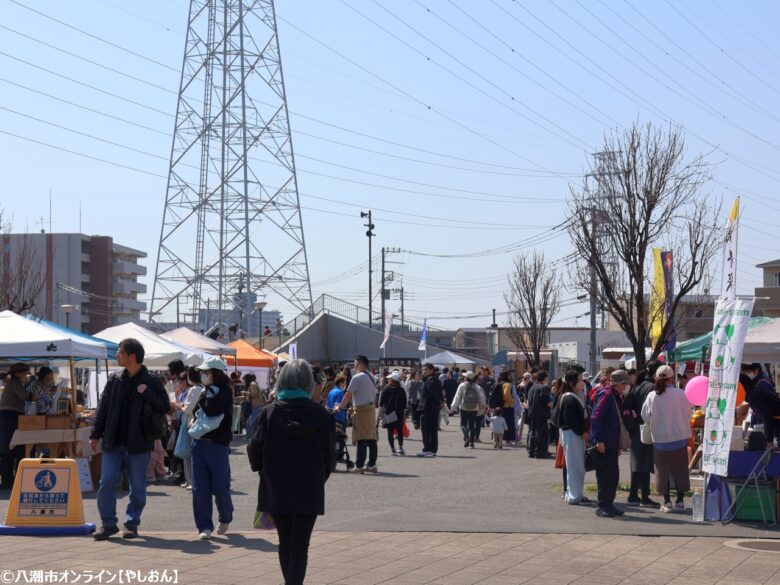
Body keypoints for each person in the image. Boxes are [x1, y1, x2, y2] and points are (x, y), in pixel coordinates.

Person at [247, 359, 335, 585]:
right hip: (309, 487)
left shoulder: (268, 413)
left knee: (285, 542)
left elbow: (254, 450)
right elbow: (330, 458)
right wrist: (318, 477)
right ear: (309, 383)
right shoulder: (322, 415)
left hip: (276, 486)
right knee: (300, 546)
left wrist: (264, 471)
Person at [90, 339, 171, 540]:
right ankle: (108, 524)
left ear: (132, 356)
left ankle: (131, 523)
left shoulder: (152, 381)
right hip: (113, 443)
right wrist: (95, 434)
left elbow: (164, 406)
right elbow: (103, 409)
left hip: (139, 443)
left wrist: (147, 393)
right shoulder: (114, 379)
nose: (117, 355)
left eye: (120, 352)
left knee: (138, 487)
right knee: (106, 482)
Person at [190, 357, 234, 540]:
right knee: (200, 488)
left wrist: (202, 399)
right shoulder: (205, 391)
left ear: (216, 373)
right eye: (202, 372)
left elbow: (211, 409)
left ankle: (225, 517)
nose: (203, 375)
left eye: (206, 372)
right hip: (199, 443)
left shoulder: (225, 391)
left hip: (218, 445)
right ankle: (204, 526)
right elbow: (197, 412)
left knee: (221, 485)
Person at [641, 365, 692, 513]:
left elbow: (645, 417)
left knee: (662, 472)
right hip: (679, 438)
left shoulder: (652, 396)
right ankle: (680, 501)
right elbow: (689, 414)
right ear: (672, 378)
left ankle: (667, 501)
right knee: (680, 470)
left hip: (660, 440)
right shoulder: (681, 394)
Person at [591, 369, 630, 518]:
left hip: (612, 442)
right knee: (605, 476)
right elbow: (596, 417)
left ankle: (609, 504)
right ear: (618, 384)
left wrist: (618, 444)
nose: (626, 386)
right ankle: (602, 506)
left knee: (613, 476)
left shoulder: (615, 395)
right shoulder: (607, 395)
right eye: (625, 383)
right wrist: (599, 440)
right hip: (604, 442)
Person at [622, 360, 661, 507]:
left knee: (637, 462)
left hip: (635, 428)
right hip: (645, 428)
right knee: (644, 462)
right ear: (656, 373)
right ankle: (644, 496)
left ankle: (634, 495)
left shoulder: (638, 384)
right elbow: (650, 411)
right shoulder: (651, 387)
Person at [336, 355, 378, 473]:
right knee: (371, 438)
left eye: (355, 363)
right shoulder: (372, 376)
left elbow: (348, 394)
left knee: (361, 438)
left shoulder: (357, 377)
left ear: (360, 364)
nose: (353, 366)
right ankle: (372, 464)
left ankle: (359, 465)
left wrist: (340, 407)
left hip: (361, 410)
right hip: (371, 409)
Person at [556, 369, 589, 505]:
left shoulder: (571, 396)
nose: (582, 383)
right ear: (571, 382)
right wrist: (583, 432)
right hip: (572, 433)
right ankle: (573, 496)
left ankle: (577, 494)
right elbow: (571, 420)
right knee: (574, 466)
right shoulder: (569, 398)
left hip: (573, 434)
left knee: (578, 466)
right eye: (579, 380)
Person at [0, 363, 31, 489]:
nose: (26, 377)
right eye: (25, 374)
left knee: (10, 450)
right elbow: (26, 396)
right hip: (9, 417)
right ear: (18, 374)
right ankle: (7, 480)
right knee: (8, 450)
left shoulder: (14, 383)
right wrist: (37, 396)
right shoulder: (15, 383)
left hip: (10, 417)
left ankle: (9, 479)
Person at [177, 367, 204, 489]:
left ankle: (191, 481)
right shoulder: (201, 388)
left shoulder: (194, 389)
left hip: (190, 423)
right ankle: (189, 480)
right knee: (189, 453)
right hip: (195, 423)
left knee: (189, 454)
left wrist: (180, 406)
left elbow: (188, 409)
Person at [450, 371, 485, 448]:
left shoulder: (462, 385)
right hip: (474, 408)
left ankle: (466, 436)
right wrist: (483, 406)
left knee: (463, 424)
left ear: (466, 378)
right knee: (472, 425)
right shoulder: (476, 386)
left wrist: (453, 408)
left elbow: (457, 397)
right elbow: (481, 397)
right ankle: (472, 443)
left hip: (464, 407)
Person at [379, 371, 407, 456]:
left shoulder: (386, 389)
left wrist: (380, 414)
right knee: (400, 431)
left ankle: (393, 449)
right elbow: (404, 404)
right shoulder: (401, 390)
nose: (388, 379)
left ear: (392, 380)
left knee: (390, 431)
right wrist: (404, 414)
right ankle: (400, 448)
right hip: (399, 414)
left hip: (389, 413)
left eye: (389, 378)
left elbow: (381, 403)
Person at [418, 363, 443, 457]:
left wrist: (436, 402)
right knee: (433, 430)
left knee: (426, 429)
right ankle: (433, 449)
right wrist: (439, 402)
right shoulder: (436, 379)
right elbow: (439, 395)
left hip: (428, 408)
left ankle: (427, 449)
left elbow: (431, 395)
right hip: (434, 408)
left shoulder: (430, 380)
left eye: (426, 369)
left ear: (431, 370)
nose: (424, 371)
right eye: (423, 370)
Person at [526, 371, 552, 459]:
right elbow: (547, 401)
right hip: (542, 414)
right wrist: (554, 406)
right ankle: (540, 452)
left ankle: (531, 451)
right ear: (544, 378)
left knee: (532, 432)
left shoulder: (532, 387)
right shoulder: (543, 388)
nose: (547, 380)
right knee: (542, 433)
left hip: (532, 413)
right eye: (547, 378)